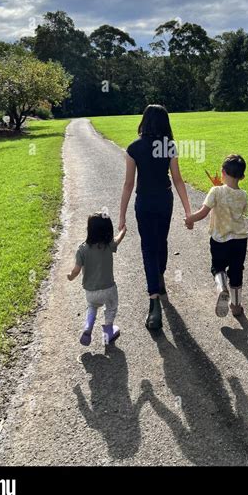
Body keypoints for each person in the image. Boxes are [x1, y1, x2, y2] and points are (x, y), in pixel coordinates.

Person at [119, 104, 192, 330]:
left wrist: (121, 215)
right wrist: (188, 211)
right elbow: (178, 179)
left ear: (144, 121)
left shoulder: (134, 148)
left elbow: (129, 184)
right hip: (164, 201)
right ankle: (159, 279)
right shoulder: (168, 146)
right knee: (161, 242)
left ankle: (154, 305)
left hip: (144, 203)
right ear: (165, 123)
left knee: (148, 249)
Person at [185, 154, 248, 317]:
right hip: (240, 241)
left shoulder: (215, 191)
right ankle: (235, 306)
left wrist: (190, 219)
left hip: (220, 240)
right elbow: (242, 211)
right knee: (236, 271)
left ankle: (222, 288)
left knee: (218, 267)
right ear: (242, 176)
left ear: (222, 172)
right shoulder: (244, 195)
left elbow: (203, 212)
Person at [68, 212, 126, 345]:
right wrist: (123, 230)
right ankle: (108, 332)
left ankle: (88, 326)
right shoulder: (108, 245)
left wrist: (70, 276)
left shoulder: (82, 249)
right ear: (108, 230)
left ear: (89, 230)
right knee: (111, 308)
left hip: (91, 291)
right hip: (109, 288)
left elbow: (76, 271)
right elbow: (118, 239)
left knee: (92, 307)